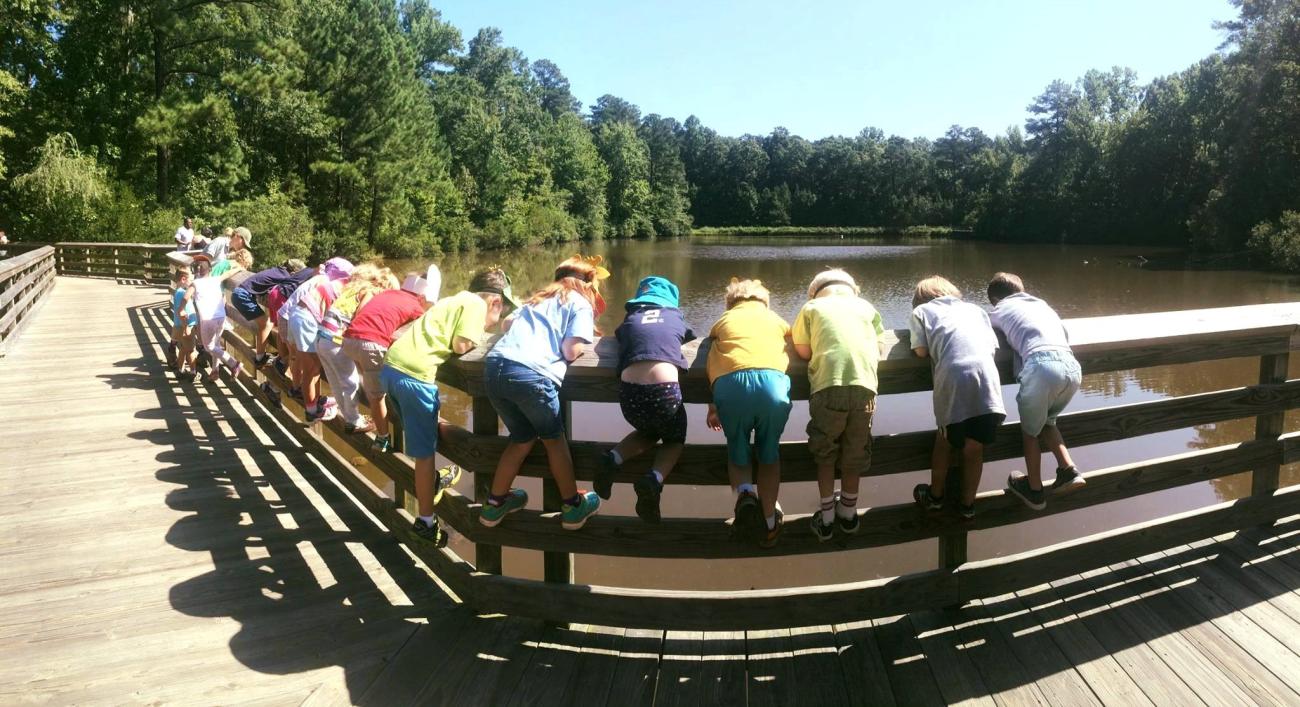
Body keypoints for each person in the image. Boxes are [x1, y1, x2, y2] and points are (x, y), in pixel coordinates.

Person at [381, 268, 512, 544]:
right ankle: (425, 522)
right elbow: (462, 344)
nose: (491, 324)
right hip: (415, 377)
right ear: (496, 302)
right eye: (498, 315)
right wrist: (478, 338)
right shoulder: (477, 305)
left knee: (426, 429)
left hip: (393, 367)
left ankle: (432, 485)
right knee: (424, 454)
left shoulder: (455, 299)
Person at [480, 256, 602, 531]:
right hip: (532, 376)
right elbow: (571, 350)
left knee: (522, 439)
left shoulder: (535, 299)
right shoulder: (580, 303)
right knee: (554, 440)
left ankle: (494, 504)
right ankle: (572, 505)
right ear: (588, 286)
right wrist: (580, 346)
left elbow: (506, 325)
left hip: (494, 370)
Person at [792, 269, 885, 540]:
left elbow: (803, 350)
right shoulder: (866, 307)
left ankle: (827, 517)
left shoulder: (812, 307)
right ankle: (849, 513)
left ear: (815, 291)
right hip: (865, 387)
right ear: (853, 290)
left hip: (827, 387)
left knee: (825, 453)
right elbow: (879, 346)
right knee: (854, 454)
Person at [595, 276, 696, 523]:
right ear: (670, 303)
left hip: (630, 397)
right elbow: (688, 338)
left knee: (649, 431)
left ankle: (613, 459)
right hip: (664, 394)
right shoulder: (675, 318)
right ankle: (653, 480)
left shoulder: (628, 320)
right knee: (674, 438)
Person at [705, 278, 793, 548]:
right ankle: (768, 524)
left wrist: (712, 405)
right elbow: (793, 338)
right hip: (772, 388)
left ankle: (745, 496)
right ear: (764, 301)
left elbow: (714, 352)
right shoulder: (775, 319)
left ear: (730, 302)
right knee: (769, 456)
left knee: (738, 451)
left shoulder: (724, 320)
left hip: (731, 389)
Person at [909, 275, 1005, 520]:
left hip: (953, 380)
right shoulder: (975, 310)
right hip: (987, 380)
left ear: (920, 299)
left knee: (944, 441)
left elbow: (920, 351)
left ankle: (936, 497)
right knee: (975, 447)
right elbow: (993, 347)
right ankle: (967, 505)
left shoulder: (921, 312)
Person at [988, 272, 1085, 510]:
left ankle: (1033, 489)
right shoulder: (1041, 304)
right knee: (1047, 422)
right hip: (1072, 368)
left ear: (994, 299)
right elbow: (1064, 332)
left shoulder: (999, 309)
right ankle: (1068, 469)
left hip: (1041, 367)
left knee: (1030, 432)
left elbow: (985, 332)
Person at [343, 266, 440, 451]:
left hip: (349, 340)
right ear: (422, 297)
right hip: (370, 344)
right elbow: (423, 327)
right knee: (377, 397)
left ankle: (378, 402)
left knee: (372, 384)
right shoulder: (415, 306)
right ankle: (382, 438)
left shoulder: (388, 294)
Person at [316, 264, 398, 434]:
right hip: (336, 340)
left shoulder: (350, 290)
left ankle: (348, 416)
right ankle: (353, 420)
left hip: (322, 338)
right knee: (350, 383)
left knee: (336, 381)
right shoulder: (369, 292)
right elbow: (362, 314)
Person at [280, 257, 354, 421]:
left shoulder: (325, 281)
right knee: (312, 371)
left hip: (296, 316)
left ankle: (311, 399)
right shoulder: (341, 287)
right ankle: (312, 412)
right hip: (306, 321)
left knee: (307, 365)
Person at [230, 259, 311, 366]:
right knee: (266, 324)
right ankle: (260, 357)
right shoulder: (284, 276)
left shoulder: (277, 271)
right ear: (293, 272)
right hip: (243, 295)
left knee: (267, 323)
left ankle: (263, 355)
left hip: (239, 293)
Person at [183, 254, 246, 383]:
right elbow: (228, 273)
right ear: (210, 270)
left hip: (207, 319)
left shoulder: (195, 283)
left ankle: (234, 364)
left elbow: (185, 297)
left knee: (209, 347)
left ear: (196, 270)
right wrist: (239, 268)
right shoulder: (216, 279)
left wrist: (181, 309)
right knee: (216, 344)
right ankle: (215, 371)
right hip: (221, 317)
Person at [170, 266, 198, 379]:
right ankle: (193, 372)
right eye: (190, 280)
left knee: (183, 349)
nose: (191, 283)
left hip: (178, 326)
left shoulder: (178, 292)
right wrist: (187, 327)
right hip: (186, 326)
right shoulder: (182, 294)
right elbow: (182, 313)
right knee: (191, 350)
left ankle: (180, 370)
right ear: (183, 279)